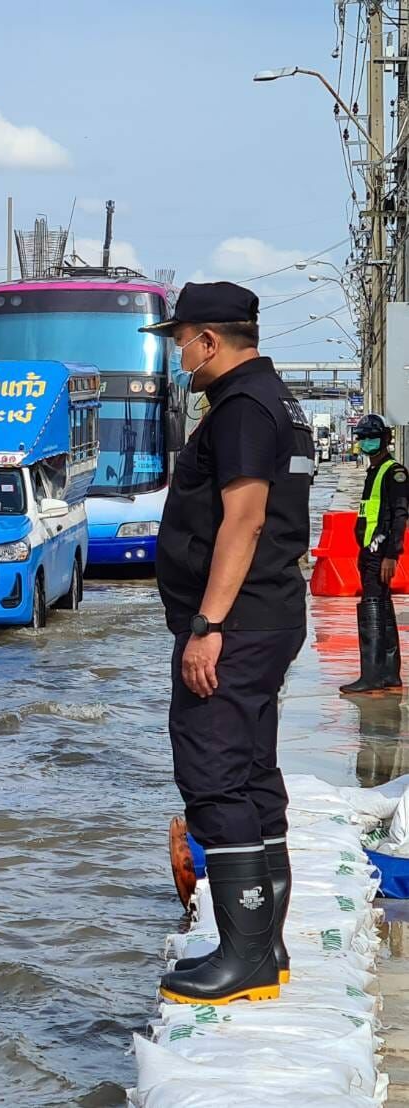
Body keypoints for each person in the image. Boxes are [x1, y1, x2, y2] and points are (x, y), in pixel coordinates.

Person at [144, 281, 314, 1006]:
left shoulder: (241, 410)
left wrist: (206, 625)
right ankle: (260, 948)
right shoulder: (277, 402)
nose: (176, 353)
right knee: (249, 772)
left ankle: (243, 957)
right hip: (266, 614)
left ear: (207, 340)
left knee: (214, 775)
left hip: (236, 622)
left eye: (178, 339)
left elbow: (241, 522)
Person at [340, 414, 409, 693]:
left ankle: (372, 675)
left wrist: (391, 554)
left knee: (372, 605)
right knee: (380, 605)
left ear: (385, 440)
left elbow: (400, 515)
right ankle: (388, 673)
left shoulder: (395, 472)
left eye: (371, 437)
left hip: (379, 551)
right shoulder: (375, 471)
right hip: (370, 549)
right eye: (362, 438)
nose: (366, 442)